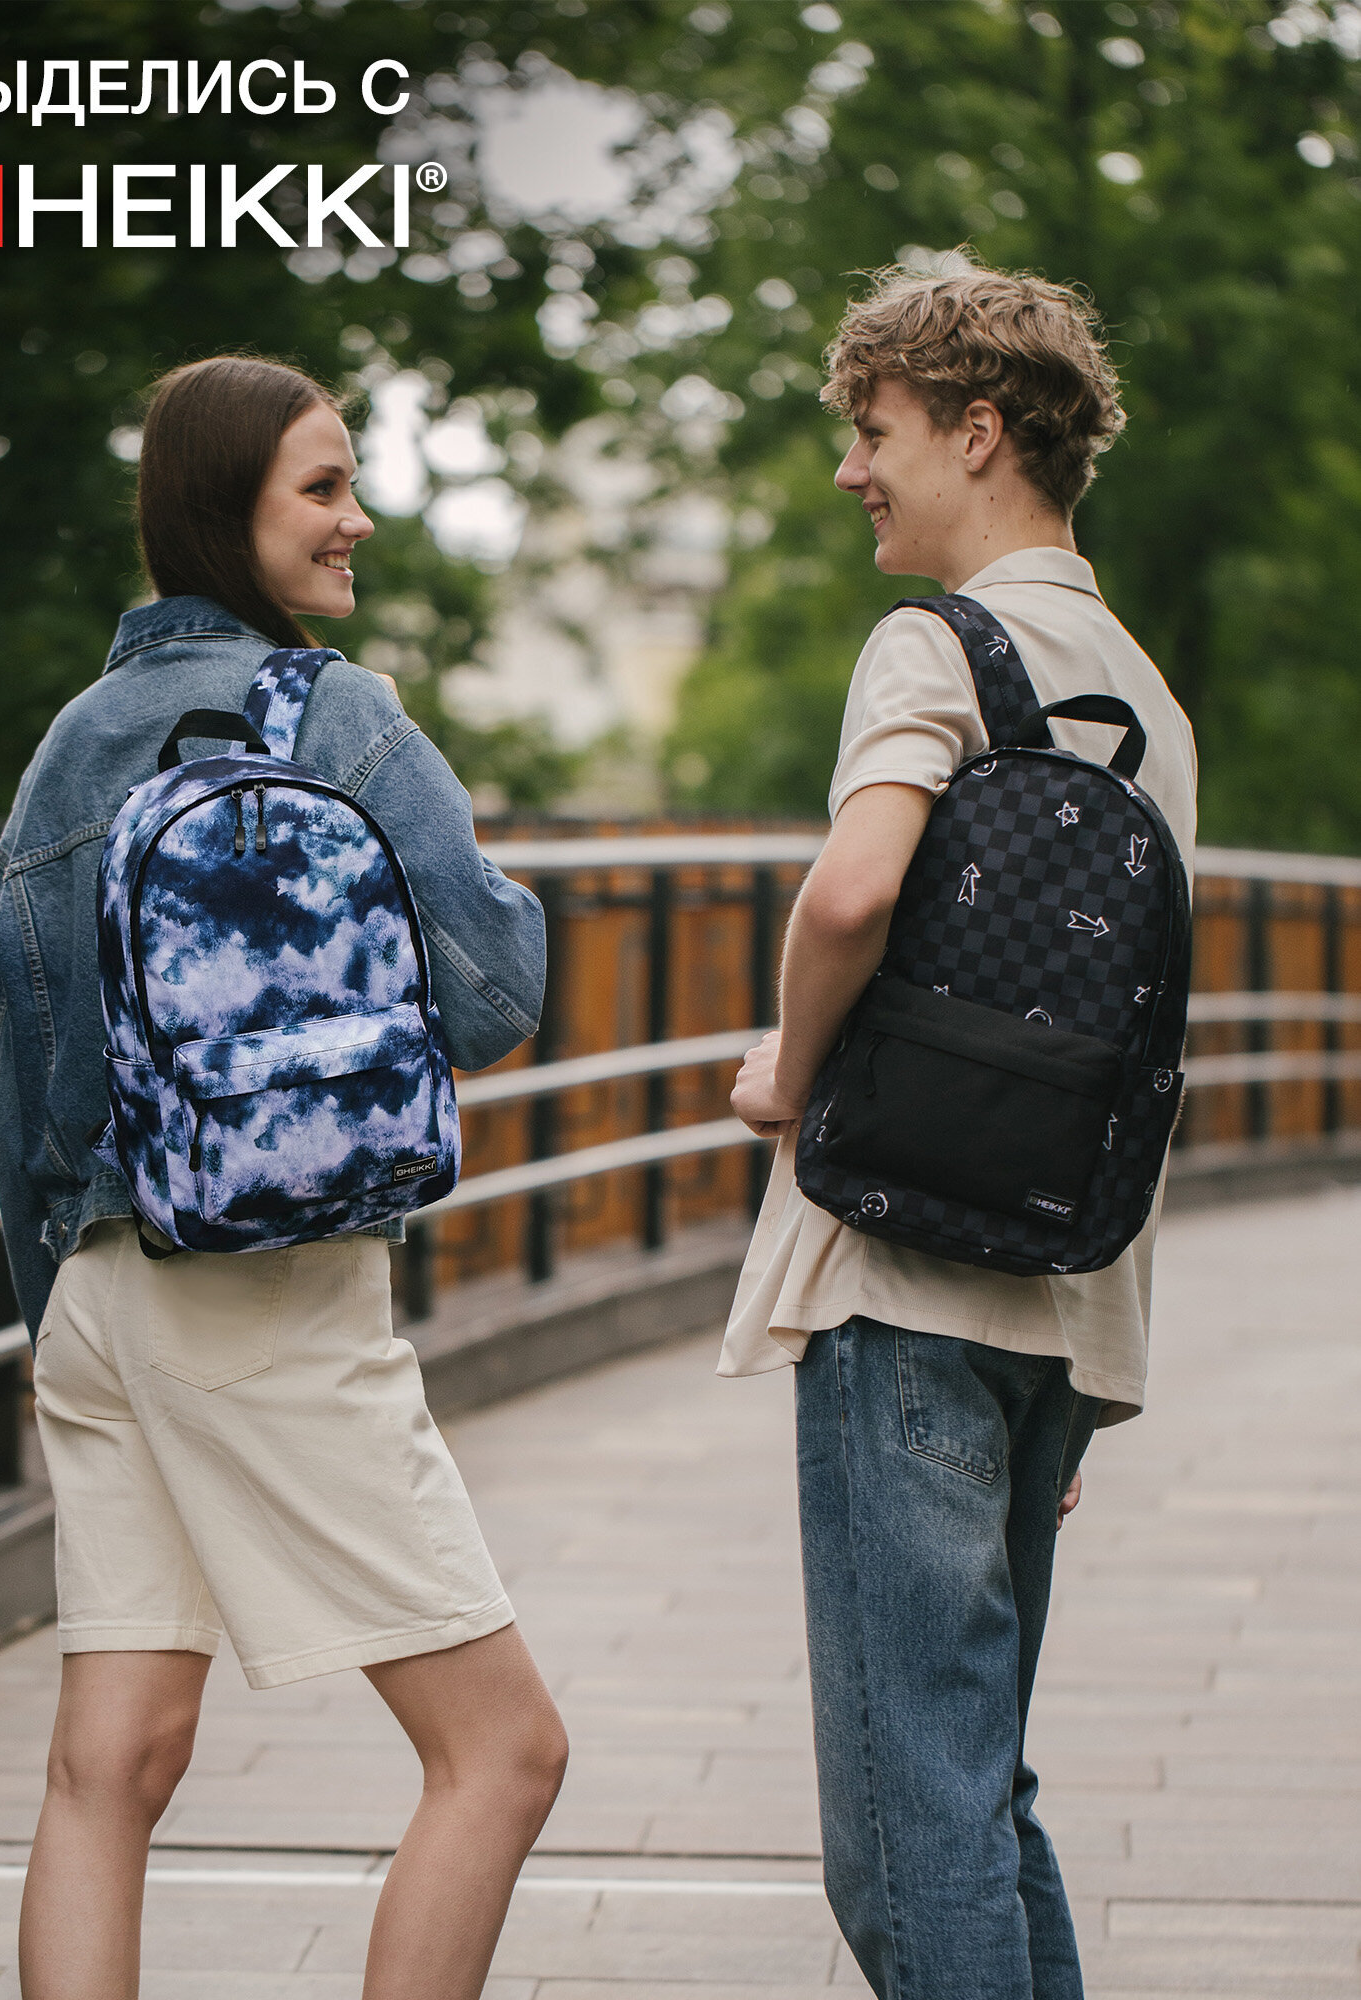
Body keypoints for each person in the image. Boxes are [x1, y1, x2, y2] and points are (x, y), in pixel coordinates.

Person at [0, 355, 568, 2000]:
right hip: (261, 1297)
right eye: (321, 487)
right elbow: (495, 997)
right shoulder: (335, 715)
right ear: (226, 508)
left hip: (95, 1300)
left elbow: (18, 1062)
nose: (357, 519)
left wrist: (60, 1316)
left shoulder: (68, 749)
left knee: (115, 1763)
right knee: (506, 1755)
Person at [724, 260, 1197, 1999]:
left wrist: (786, 1066)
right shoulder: (1137, 681)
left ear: (975, 431)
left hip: (906, 1283)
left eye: (877, 428)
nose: (854, 465)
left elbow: (854, 892)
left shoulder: (937, 643)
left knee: (906, 1833)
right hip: (1063, 1294)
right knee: (977, 1788)